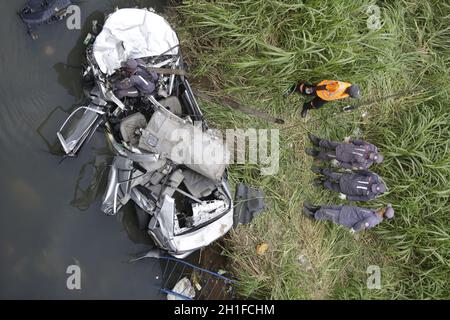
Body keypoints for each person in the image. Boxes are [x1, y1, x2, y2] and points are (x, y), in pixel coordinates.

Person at [285, 80, 361, 117]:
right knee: (305, 90)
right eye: (351, 96)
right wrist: (314, 89)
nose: (350, 97)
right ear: (349, 92)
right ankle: (294, 88)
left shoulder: (349, 90)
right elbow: (324, 87)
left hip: (327, 97)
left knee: (316, 105)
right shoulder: (338, 86)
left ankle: (306, 107)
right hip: (320, 90)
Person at [305, 133, 383, 170]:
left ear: (372, 160)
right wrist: (350, 140)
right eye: (371, 154)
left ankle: (314, 153)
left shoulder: (364, 165)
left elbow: (351, 166)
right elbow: (361, 142)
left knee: (327, 155)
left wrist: (340, 164)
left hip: (341, 156)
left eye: (370, 157)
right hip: (345, 146)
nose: (369, 155)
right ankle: (317, 142)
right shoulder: (372, 147)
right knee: (330, 143)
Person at [302, 202, 394, 233]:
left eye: (386, 208)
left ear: (384, 211)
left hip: (345, 217)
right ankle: (313, 208)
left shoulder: (373, 219)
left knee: (327, 213)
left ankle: (312, 216)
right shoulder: (376, 212)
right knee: (329, 207)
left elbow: (362, 225)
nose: (384, 206)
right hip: (347, 210)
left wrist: (354, 229)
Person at [312, 167, 387, 201]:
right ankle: (320, 170)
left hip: (347, 189)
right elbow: (363, 172)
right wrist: (352, 169)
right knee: (332, 174)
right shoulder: (373, 177)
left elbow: (358, 198)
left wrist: (347, 197)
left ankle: (322, 182)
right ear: (378, 183)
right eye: (374, 186)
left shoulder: (371, 196)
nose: (372, 188)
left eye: (374, 190)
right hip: (348, 177)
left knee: (332, 186)